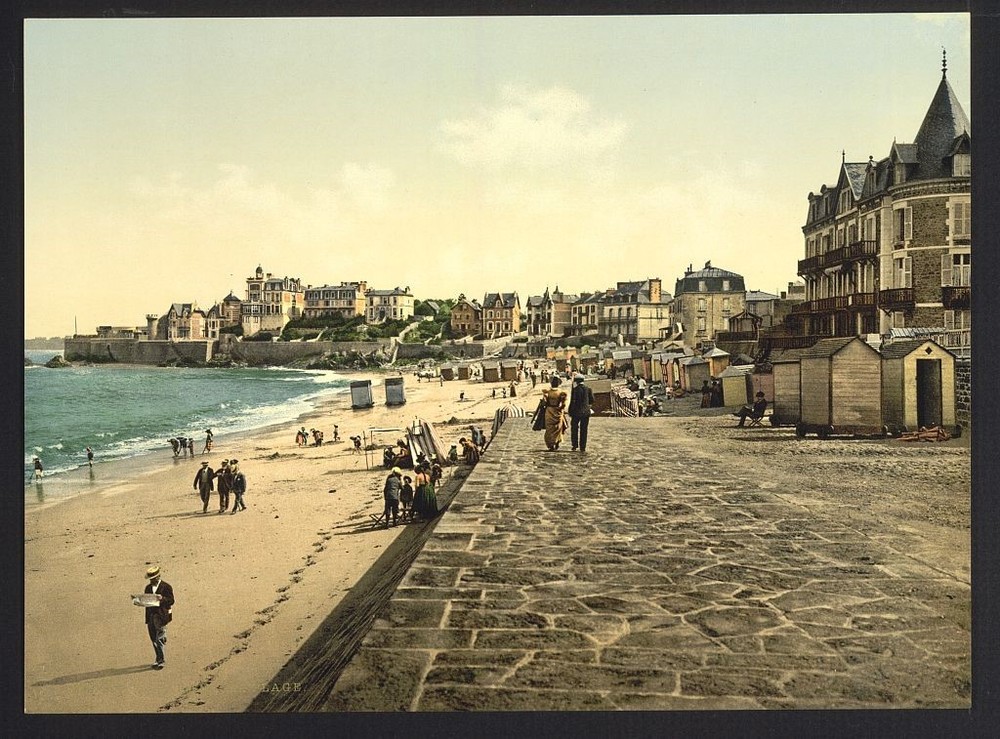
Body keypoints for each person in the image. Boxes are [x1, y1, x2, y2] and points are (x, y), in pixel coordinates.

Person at [139, 566, 174, 670]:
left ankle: (161, 660)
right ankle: (158, 658)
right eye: (150, 579)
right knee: (153, 638)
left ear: (158, 577)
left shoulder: (166, 586)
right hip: (151, 616)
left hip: (161, 616)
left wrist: (162, 598)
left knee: (159, 638)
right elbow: (147, 601)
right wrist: (140, 602)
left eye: (153, 578)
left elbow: (171, 601)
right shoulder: (148, 588)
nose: (152, 581)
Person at [568, 373, 595, 452]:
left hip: (576, 412)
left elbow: (573, 401)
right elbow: (592, 400)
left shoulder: (575, 390)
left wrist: (570, 411)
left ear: (576, 381)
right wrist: (587, 405)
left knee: (574, 429)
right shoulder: (588, 389)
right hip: (586, 412)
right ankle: (583, 447)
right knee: (584, 429)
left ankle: (574, 445)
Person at [541, 376, 568, 451]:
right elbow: (563, 404)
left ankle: (550, 444)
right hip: (557, 411)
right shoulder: (561, 392)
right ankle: (556, 443)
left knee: (549, 428)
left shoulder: (547, 392)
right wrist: (561, 409)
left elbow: (544, 403)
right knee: (557, 428)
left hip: (549, 411)